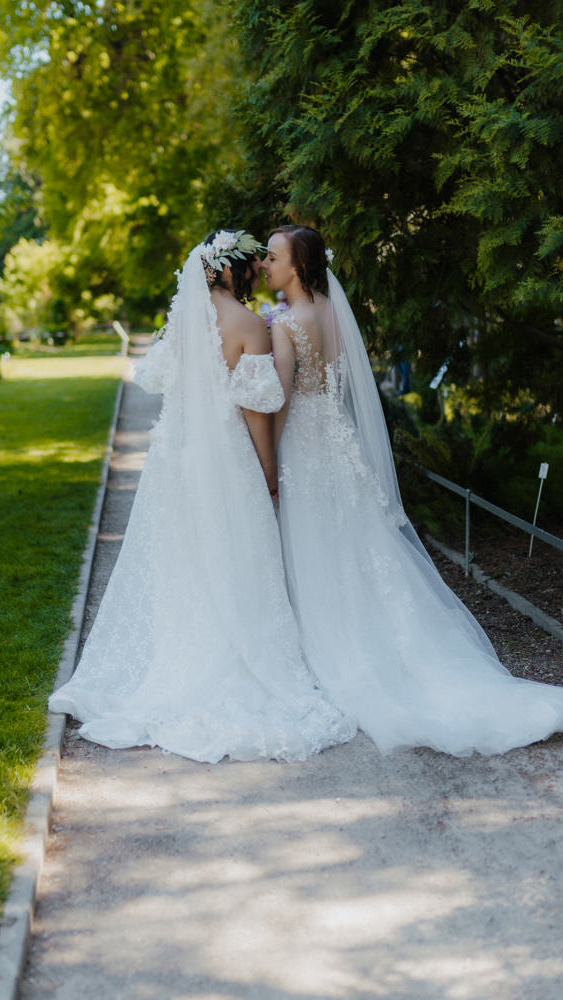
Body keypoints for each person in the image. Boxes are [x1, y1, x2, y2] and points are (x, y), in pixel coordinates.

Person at [261, 225, 563, 756]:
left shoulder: (287, 324)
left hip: (305, 454)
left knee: (318, 552)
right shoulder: (334, 314)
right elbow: (341, 387)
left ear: (297, 266)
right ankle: (384, 644)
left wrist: (266, 459)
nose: (265, 264)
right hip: (340, 447)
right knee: (358, 549)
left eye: (273, 256)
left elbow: (283, 400)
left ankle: (332, 650)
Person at [49, 230, 354, 763]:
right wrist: (268, 470)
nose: (257, 271)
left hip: (176, 462)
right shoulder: (248, 326)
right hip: (228, 461)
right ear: (229, 270)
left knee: (186, 561)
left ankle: (184, 656)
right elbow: (257, 409)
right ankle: (233, 656)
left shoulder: (183, 322)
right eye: (250, 265)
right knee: (239, 559)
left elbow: (159, 379)